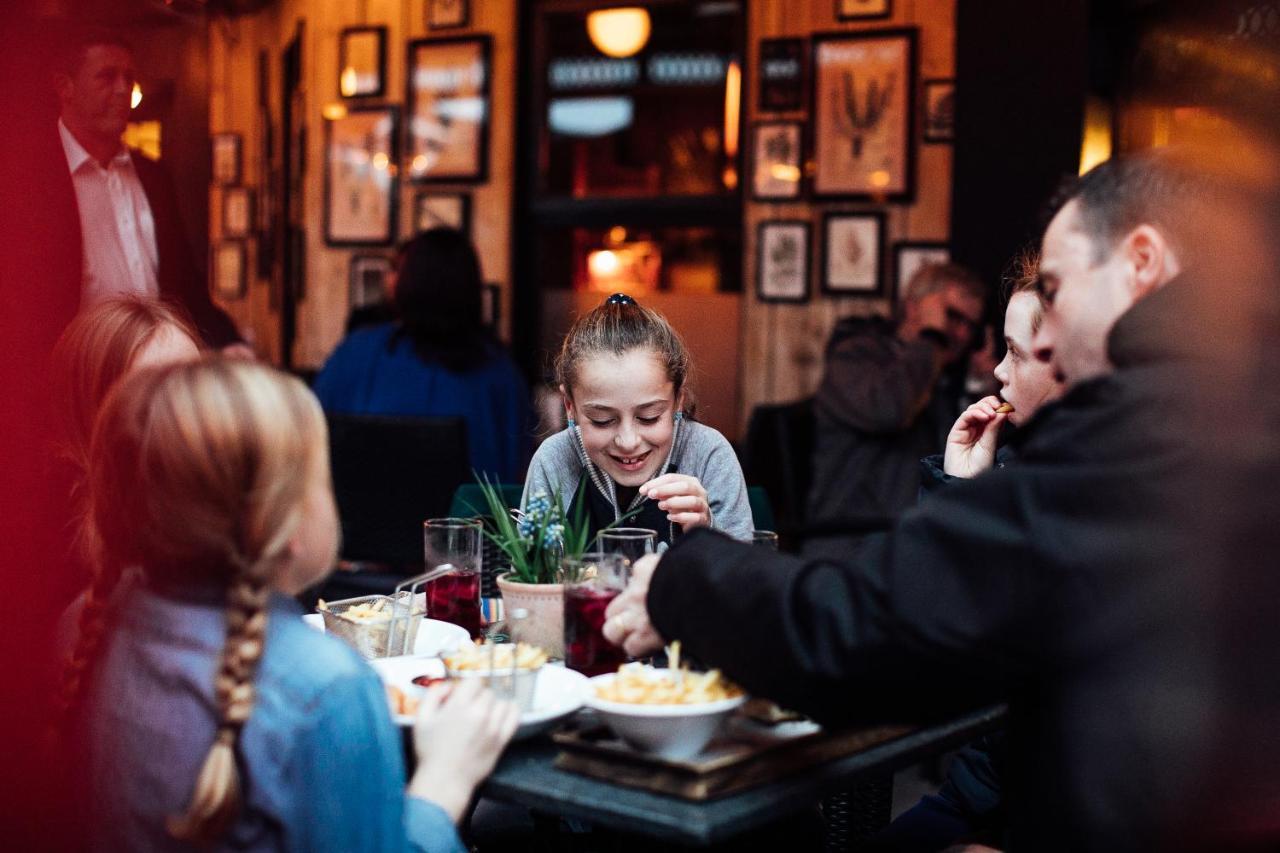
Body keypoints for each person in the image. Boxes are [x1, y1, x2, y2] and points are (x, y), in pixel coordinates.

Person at [602, 151, 1277, 850]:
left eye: (1057, 287)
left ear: (1140, 261)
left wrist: (685, 577)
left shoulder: (1152, 426)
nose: (1042, 337)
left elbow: (868, 630)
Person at [59, 357, 518, 850]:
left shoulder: (83, 628)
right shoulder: (327, 690)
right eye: (321, 476)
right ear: (289, 527)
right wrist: (443, 783)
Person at [879, 251, 1062, 852]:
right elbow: (931, 609)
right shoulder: (1014, 467)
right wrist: (958, 485)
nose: (999, 374)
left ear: (1067, 363)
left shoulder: (1078, 496)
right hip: (979, 788)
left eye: (1013, 352)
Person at [51, 26, 243, 349]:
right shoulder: (31, 182)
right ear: (65, 87)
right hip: (72, 376)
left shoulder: (153, 177)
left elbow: (184, 287)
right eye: (107, 77)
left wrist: (229, 344)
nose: (123, 89)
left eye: (129, 78)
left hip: (152, 372)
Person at [523, 293, 752, 546]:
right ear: (570, 406)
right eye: (602, 420)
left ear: (678, 400)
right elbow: (526, 579)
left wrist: (706, 531)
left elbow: (748, 583)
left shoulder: (708, 455)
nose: (628, 441)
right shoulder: (553, 461)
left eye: (649, 417)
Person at [314, 228, 532, 482]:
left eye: (397, 269)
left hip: (363, 519)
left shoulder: (357, 354)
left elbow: (311, 436)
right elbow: (518, 473)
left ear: (409, 282)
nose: (388, 277)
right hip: (471, 520)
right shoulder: (501, 374)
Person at [805, 262, 986, 553]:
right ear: (915, 308)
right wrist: (931, 338)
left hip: (908, 539)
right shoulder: (855, 355)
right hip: (850, 543)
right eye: (951, 317)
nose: (962, 334)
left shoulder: (943, 375)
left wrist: (980, 384)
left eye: (970, 326)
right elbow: (890, 410)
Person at [48, 296, 201, 603]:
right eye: (156, 398)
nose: (194, 412)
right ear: (94, 409)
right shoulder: (59, 553)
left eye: (198, 384)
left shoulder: (203, 505)